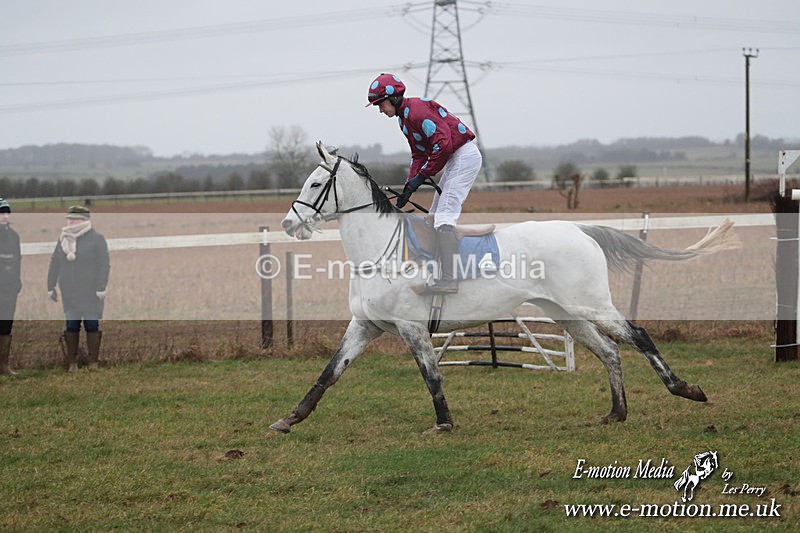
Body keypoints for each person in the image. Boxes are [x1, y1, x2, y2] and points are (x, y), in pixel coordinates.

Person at [366, 73, 482, 294]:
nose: (380, 110)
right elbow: (419, 155)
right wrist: (410, 185)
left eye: (380, 104)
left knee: (444, 218)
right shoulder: (404, 120)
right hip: (454, 159)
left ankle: (449, 280)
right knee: (433, 217)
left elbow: (443, 145)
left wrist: (423, 176)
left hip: (464, 156)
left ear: (394, 98)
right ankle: (439, 272)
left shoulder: (417, 112)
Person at [47, 206, 110, 371]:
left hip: (91, 292)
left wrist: (101, 286)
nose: (70, 222)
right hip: (69, 292)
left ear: (84, 220)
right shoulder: (63, 239)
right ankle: (72, 363)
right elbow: (55, 262)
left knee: (92, 325)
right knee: (71, 325)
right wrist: (50, 285)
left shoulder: (96, 239)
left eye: (74, 219)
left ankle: (93, 362)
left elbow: (104, 264)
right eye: (69, 219)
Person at [0, 198, 22, 375]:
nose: (5, 216)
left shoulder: (14, 236)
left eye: (7, 212)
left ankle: (3, 365)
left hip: (9, 287)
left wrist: (16, 281)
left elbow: (17, 261)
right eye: (1, 213)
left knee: (6, 325)